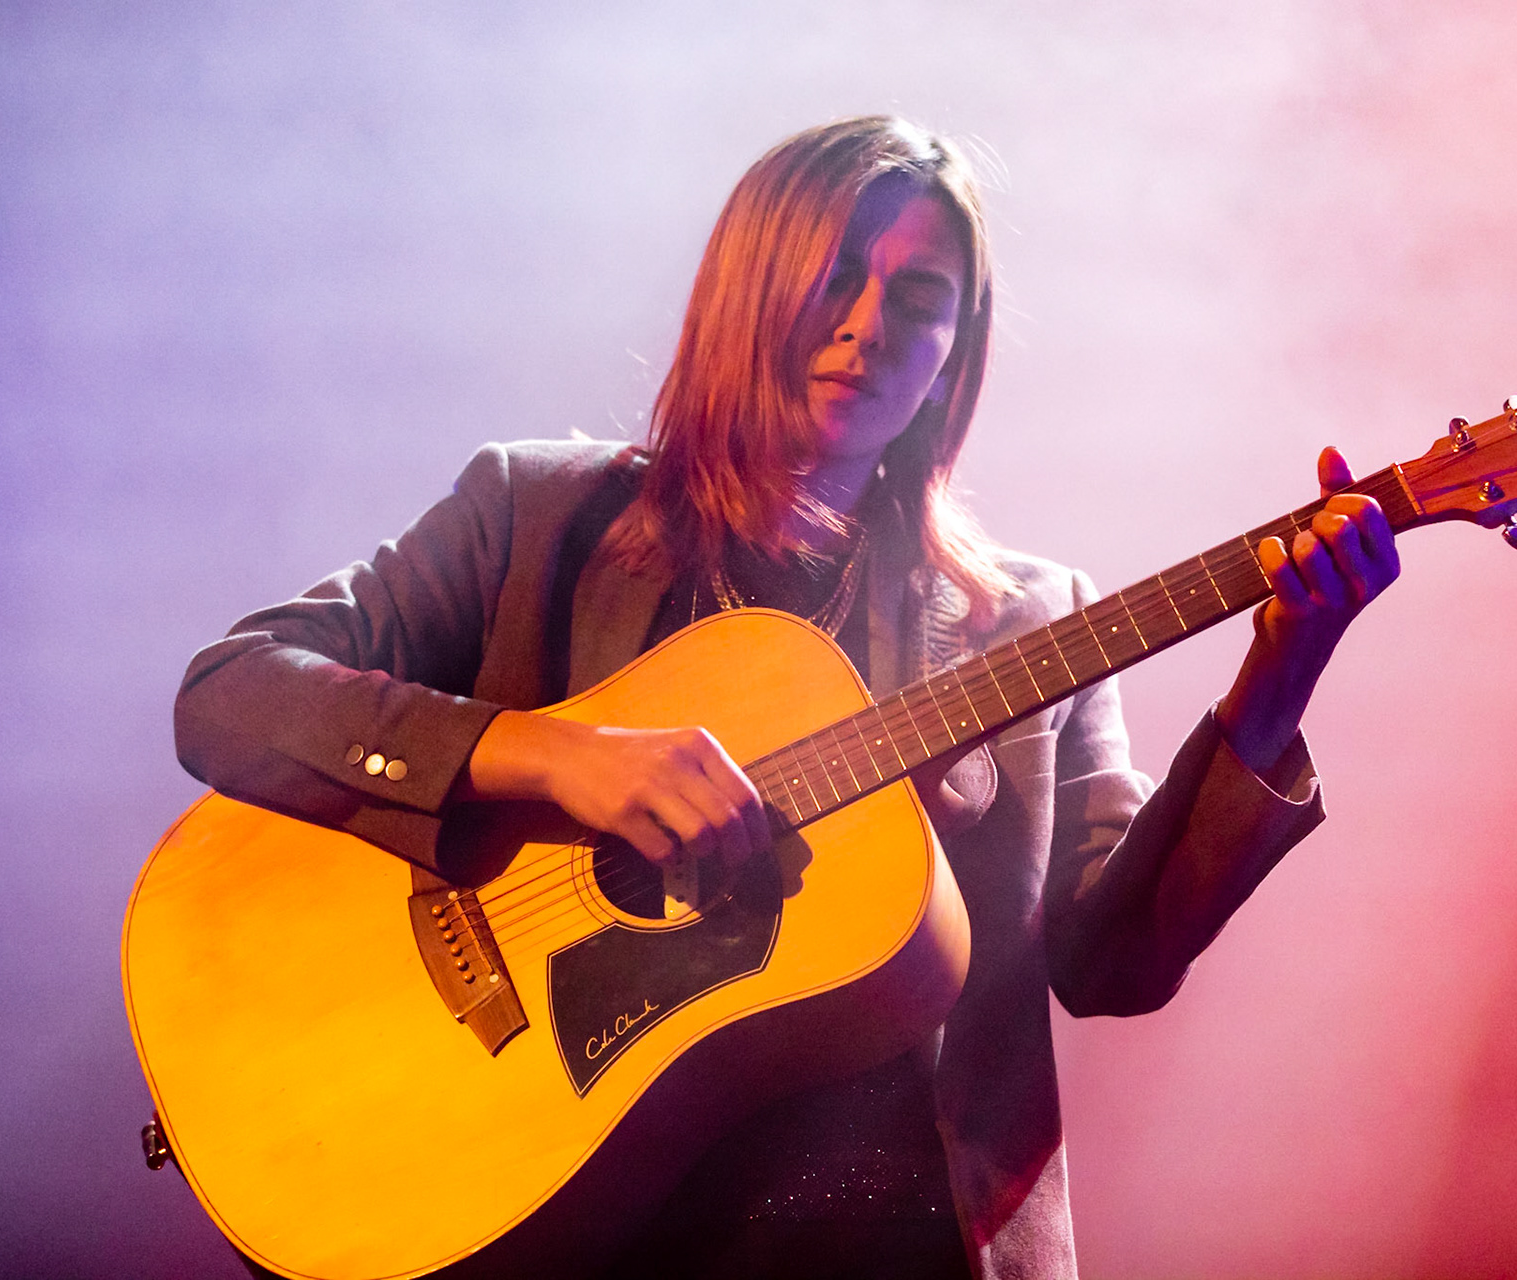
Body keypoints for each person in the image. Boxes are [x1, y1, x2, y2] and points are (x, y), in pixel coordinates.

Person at [176, 116, 1399, 1280]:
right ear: (743, 287)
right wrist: (543, 754)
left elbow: (1112, 961)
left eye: (920, 299)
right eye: (831, 275)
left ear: (955, 350)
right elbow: (231, 694)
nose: (869, 324)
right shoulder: (534, 516)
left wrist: (1278, 677)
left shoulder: (1030, 620)